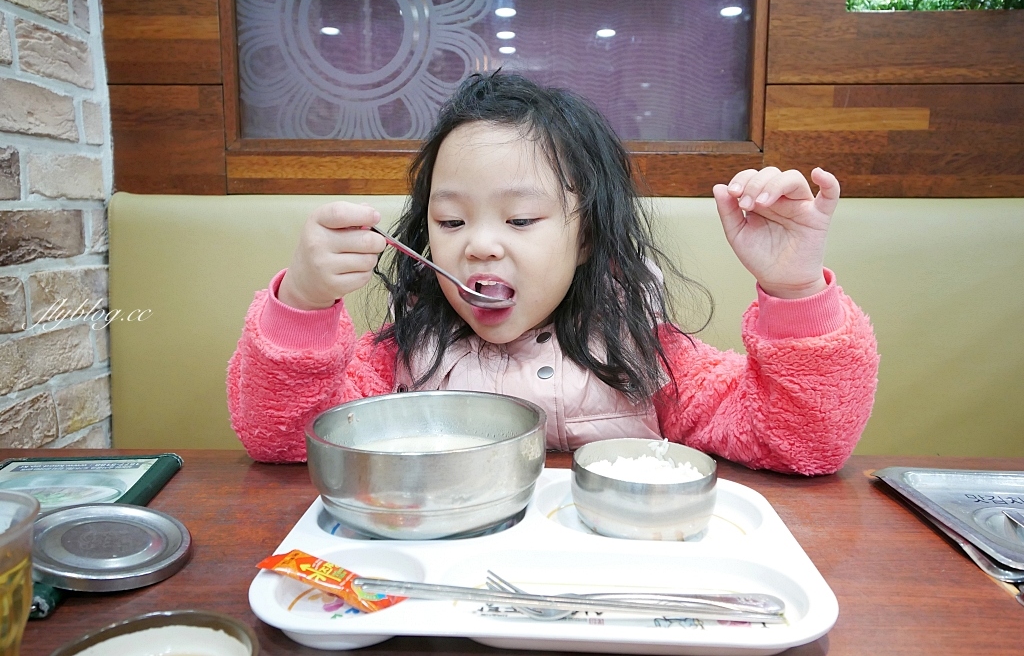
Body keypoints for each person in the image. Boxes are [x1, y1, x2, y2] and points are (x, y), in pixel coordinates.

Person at [227, 72, 878, 474]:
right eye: (451, 223)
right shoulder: (407, 356)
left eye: (520, 220)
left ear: (586, 235)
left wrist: (793, 289)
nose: (479, 245)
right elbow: (282, 438)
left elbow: (801, 442)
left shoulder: (646, 357)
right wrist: (305, 303)